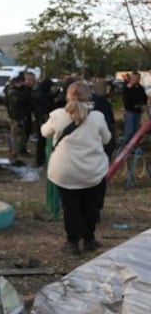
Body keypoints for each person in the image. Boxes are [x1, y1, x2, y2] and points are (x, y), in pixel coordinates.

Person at [41, 81, 111, 255]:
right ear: (89, 96)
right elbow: (107, 139)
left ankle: (72, 242)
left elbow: (44, 132)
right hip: (92, 171)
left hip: (64, 171)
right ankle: (89, 239)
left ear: (67, 96)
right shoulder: (97, 117)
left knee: (70, 208)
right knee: (90, 206)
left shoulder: (58, 115)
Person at [5, 72, 32, 164]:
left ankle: (15, 155)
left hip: (17, 117)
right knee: (16, 137)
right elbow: (14, 108)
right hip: (16, 118)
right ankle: (14, 156)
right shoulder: (13, 93)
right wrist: (18, 119)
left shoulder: (16, 91)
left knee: (18, 137)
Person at [121, 71, 146, 150]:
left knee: (136, 130)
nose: (136, 80)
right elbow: (125, 99)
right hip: (130, 111)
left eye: (137, 78)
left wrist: (143, 104)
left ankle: (135, 146)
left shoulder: (140, 88)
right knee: (129, 131)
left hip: (138, 111)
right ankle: (126, 147)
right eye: (134, 78)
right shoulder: (127, 87)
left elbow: (144, 97)